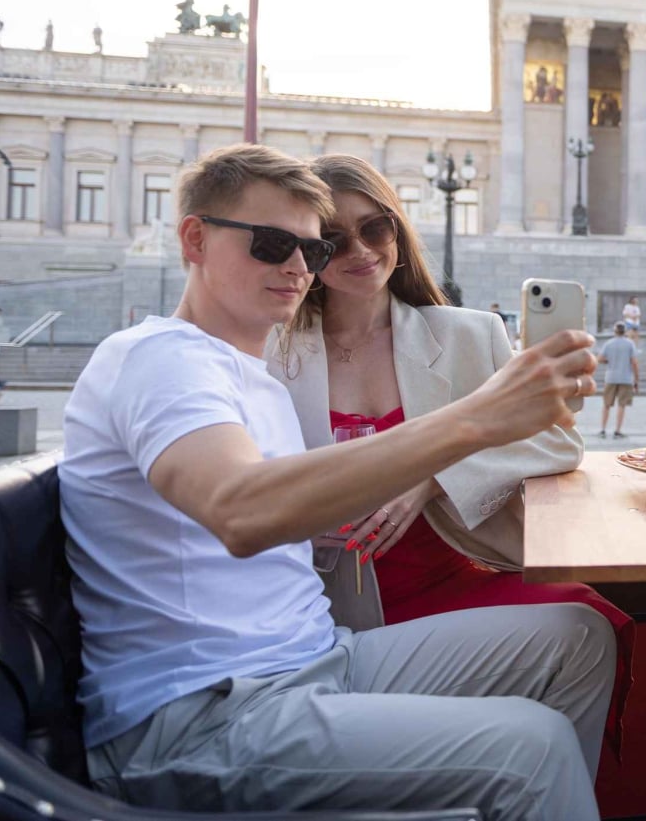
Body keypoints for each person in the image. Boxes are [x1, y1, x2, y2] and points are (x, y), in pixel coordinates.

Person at [60, 144, 611, 821]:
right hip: (200, 712)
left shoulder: (248, 373)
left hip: (315, 659)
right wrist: (476, 419)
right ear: (194, 239)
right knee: (535, 747)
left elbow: (248, 507)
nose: (296, 267)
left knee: (578, 636)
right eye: (271, 244)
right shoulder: (160, 360)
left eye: (307, 250)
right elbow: (238, 509)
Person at [267, 153, 633, 759]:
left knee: (588, 616)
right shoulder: (272, 356)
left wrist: (434, 476)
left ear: (397, 230)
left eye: (375, 228)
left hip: (454, 569)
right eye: (333, 239)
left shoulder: (467, 333)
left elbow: (558, 438)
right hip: (326, 599)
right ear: (309, 253)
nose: (360, 250)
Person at [596, 322, 640, 439]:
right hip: (626, 378)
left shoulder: (609, 343)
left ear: (614, 331)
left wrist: (608, 360)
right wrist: (636, 380)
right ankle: (617, 431)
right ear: (625, 331)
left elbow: (599, 358)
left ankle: (603, 429)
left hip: (610, 377)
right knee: (622, 405)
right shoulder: (630, 344)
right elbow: (634, 363)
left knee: (606, 404)